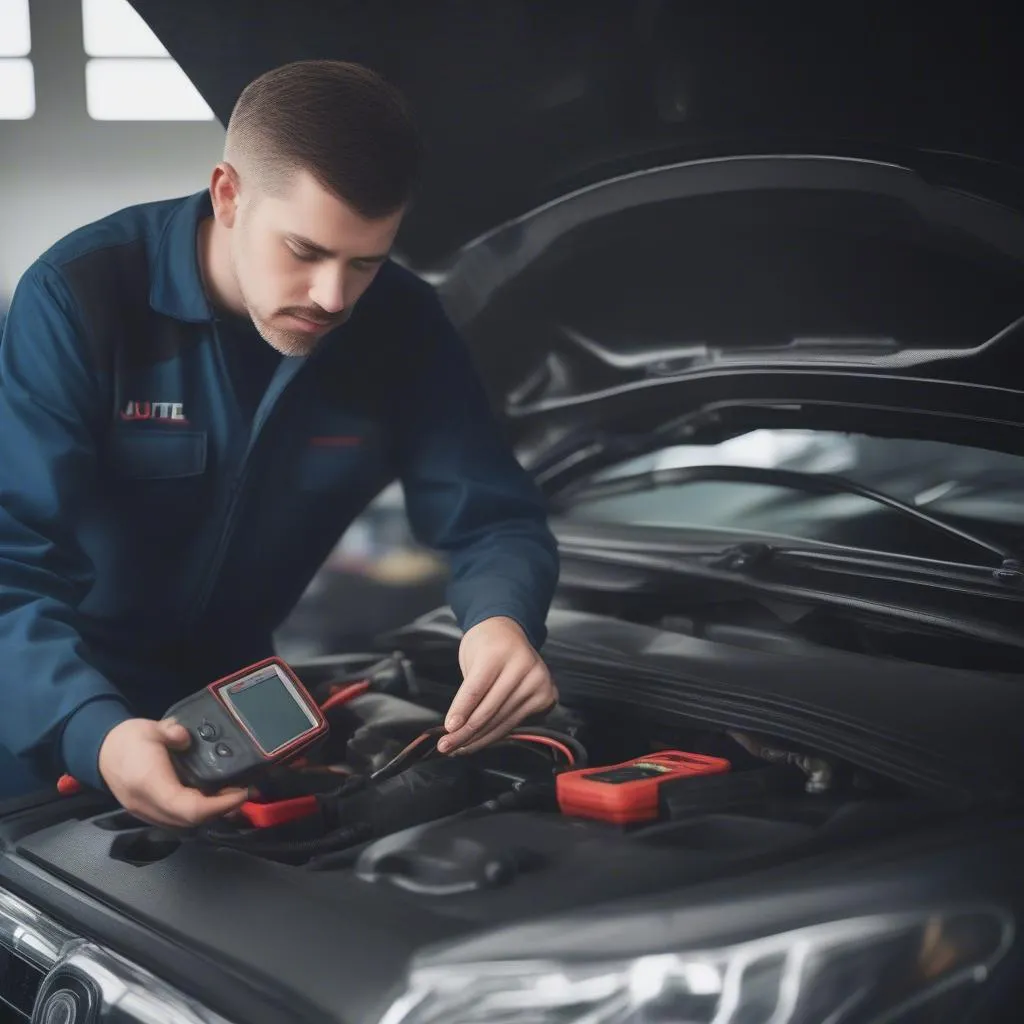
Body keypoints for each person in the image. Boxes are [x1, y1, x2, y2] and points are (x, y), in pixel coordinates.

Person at [0, 60, 559, 825]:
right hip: (38, 716)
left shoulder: (401, 325)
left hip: (239, 720)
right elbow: (8, 565)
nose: (334, 297)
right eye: (303, 250)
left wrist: (501, 620)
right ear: (228, 194)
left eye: (365, 261)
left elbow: (493, 517)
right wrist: (89, 730)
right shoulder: (83, 296)